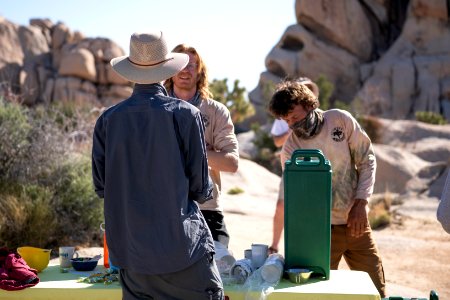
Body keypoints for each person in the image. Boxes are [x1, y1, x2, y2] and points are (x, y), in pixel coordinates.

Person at [92, 31, 223, 300]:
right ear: (167, 68)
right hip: (182, 251)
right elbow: (200, 187)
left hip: (132, 256)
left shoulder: (107, 120)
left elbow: (102, 186)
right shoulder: (186, 114)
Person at [268, 80, 386, 297]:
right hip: (320, 233)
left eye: (294, 116)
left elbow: (367, 159)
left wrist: (361, 203)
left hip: (357, 223)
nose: (292, 124)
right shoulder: (291, 148)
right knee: (318, 294)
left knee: (376, 290)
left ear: (308, 103)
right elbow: (298, 197)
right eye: (286, 120)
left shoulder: (339, 119)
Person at [164, 44, 239, 248]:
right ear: (169, 70)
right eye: (179, 63)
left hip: (207, 207)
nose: (185, 69)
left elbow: (231, 163)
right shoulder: (156, 110)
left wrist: (190, 151)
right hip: (164, 207)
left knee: (219, 264)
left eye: (192, 64)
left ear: (200, 72)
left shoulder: (216, 112)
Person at [269, 77, 319, 254]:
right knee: (282, 206)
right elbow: (276, 141)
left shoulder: (320, 117)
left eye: (309, 89)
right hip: (291, 165)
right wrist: (292, 127)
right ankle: (274, 245)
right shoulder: (285, 116)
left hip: (316, 169)